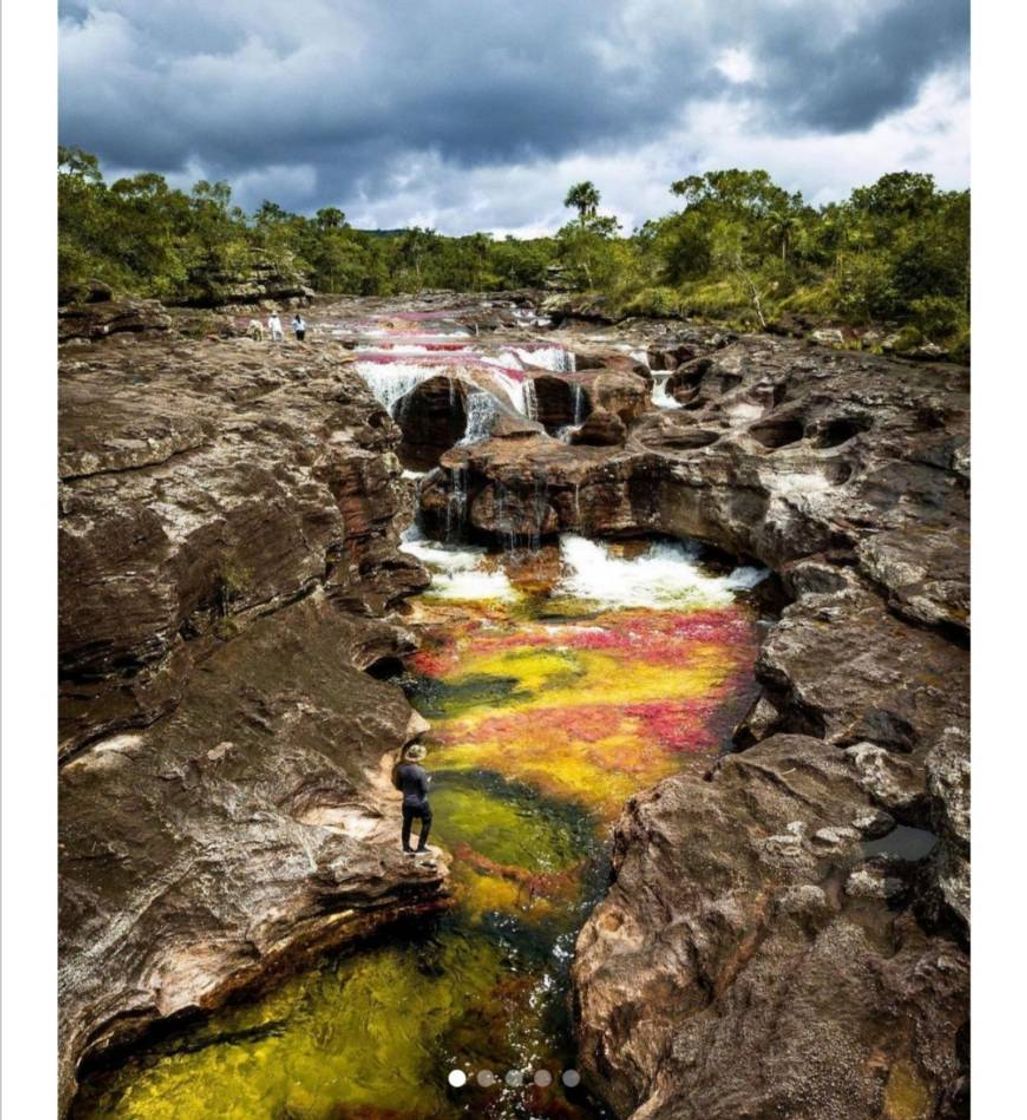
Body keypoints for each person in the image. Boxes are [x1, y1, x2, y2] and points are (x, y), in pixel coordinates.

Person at [393, 743, 432, 854]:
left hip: (407, 803)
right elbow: (425, 789)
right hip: (421, 803)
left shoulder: (401, 770)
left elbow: (398, 786)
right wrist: (428, 781)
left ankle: (406, 848)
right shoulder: (421, 771)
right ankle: (420, 848)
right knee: (427, 822)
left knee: (406, 824)